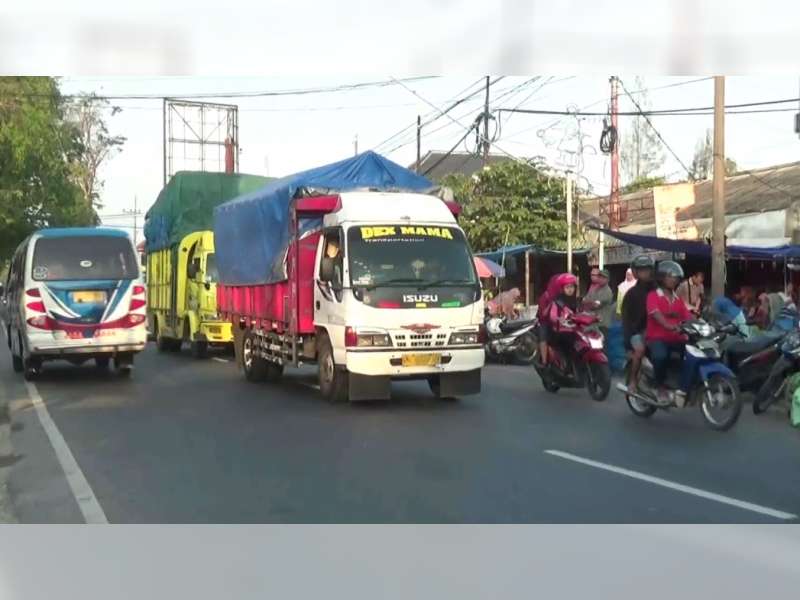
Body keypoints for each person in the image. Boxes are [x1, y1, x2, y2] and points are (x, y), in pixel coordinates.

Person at [646, 261, 693, 404]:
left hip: (676, 338)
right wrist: (667, 324)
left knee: (693, 353)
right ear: (661, 277)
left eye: (676, 277)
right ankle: (659, 386)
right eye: (670, 276)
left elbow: (688, 317)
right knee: (660, 356)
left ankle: (683, 385)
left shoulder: (678, 299)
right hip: (657, 338)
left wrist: (701, 324)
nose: (674, 280)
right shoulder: (653, 296)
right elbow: (655, 314)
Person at [621, 255, 656, 393]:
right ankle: (633, 381)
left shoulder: (659, 290)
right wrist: (628, 344)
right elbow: (626, 320)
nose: (645, 273)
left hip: (659, 331)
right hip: (638, 333)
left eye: (647, 270)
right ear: (635, 272)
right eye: (641, 270)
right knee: (639, 350)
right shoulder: (631, 294)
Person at [544, 273, 579, 364]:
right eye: (567, 287)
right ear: (562, 289)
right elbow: (552, 316)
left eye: (572, 287)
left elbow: (582, 313)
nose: (570, 290)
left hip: (575, 331)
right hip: (561, 332)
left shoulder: (577, 301)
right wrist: (559, 319)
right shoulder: (557, 302)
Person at [536, 274, 562, 366]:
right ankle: (544, 361)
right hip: (544, 321)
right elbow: (543, 314)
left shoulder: (561, 295)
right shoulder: (545, 296)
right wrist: (551, 304)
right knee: (543, 338)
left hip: (558, 321)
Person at [582, 268, 614, 337]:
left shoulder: (608, 292)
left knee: (601, 346)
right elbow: (583, 301)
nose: (601, 279)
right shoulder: (594, 289)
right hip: (592, 324)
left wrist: (588, 303)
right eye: (600, 277)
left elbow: (595, 305)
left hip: (602, 325)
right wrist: (589, 302)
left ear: (608, 280)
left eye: (604, 277)